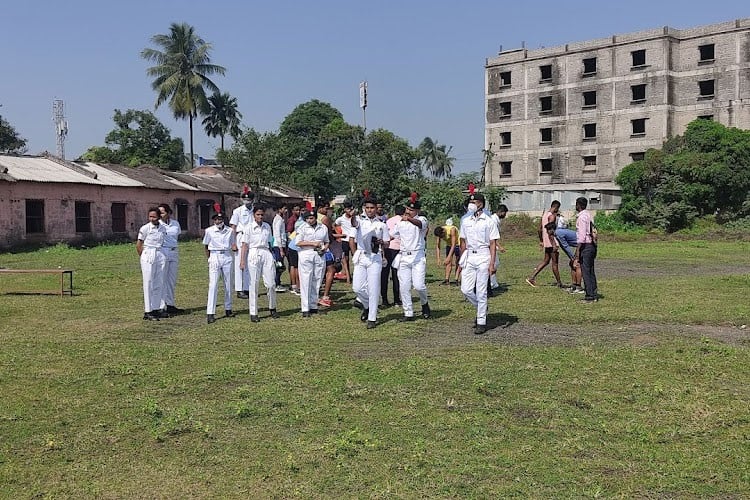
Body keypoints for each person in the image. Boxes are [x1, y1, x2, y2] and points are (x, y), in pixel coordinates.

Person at [459, 191, 498, 335]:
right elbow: (463, 241)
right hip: (470, 255)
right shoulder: (465, 220)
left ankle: (481, 321)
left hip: (483, 255)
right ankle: (481, 307)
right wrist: (461, 260)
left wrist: (492, 263)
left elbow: (493, 243)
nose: (471, 205)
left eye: (474, 203)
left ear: (481, 204)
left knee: (481, 291)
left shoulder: (489, 221)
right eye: (470, 203)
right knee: (466, 289)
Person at [351, 194, 390, 329]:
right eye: (367, 208)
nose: (369, 210)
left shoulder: (381, 224)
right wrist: (352, 215)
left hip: (375, 256)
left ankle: (372, 318)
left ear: (376, 209)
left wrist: (381, 242)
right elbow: (354, 224)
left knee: (373, 288)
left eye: (372, 208)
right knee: (357, 287)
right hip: (362, 255)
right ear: (364, 208)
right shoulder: (360, 221)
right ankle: (367, 305)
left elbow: (387, 243)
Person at [391, 193, 431, 321]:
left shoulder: (422, 219)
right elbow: (391, 235)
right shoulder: (401, 222)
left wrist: (409, 219)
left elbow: (420, 224)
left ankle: (424, 303)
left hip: (417, 255)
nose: (408, 212)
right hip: (404, 255)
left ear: (417, 211)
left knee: (419, 285)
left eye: (411, 210)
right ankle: (408, 312)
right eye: (407, 209)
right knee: (404, 286)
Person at [239, 204, 279, 322]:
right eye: (258, 214)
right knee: (254, 283)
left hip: (266, 252)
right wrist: (242, 261)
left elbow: (270, 242)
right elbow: (245, 245)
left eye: (262, 214)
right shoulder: (248, 228)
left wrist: (274, 255)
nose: (260, 217)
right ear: (253, 215)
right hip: (254, 252)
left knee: (271, 283)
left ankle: (272, 307)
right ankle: (253, 312)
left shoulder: (267, 226)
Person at [203, 204, 235, 324]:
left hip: (226, 255)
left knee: (228, 284)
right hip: (215, 255)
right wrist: (209, 258)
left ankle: (228, 308)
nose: (218, 221)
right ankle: (210, 312)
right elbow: (206, 245)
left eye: (220, 219)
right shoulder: (209, 231)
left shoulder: (230, 231)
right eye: (216, 219)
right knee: (213, 284)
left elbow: (232, 243)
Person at [294, 209, 329, 317]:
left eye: (312, 218)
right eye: (308, 218)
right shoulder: (302, 227)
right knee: (306, 280)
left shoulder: (323, 227)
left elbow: (327, 241)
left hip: (319, 255)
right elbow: (298, 242)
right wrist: (313, 243)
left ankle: (313, 305)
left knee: (317, 279)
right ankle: (305, 308)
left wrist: (324, 249)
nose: (310, 220)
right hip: (306, 253)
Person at [136, 207, 167, 321]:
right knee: (148, 282)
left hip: (159, 252)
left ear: (159, 216)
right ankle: (148, 311)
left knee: (159, 282)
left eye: (154, 216)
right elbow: (139, 244)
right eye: (150, 216)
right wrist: (143, 257)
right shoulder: (145, 228)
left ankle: (156, 308)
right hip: (148, 253)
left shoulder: (163, 228)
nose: (152, 219)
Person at [526, 200, 563, 288]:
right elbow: (551, 232)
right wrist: (554, 244)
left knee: (546, 261)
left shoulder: (544, 215)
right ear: (556, 207)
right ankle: (559, 283)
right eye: (558, 209)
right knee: (555, 263)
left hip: (547, 242)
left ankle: (532, 277)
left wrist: (542, 240)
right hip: (552, 242)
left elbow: (539, 229)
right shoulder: (551, 216)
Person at [157, 203, 183, 315]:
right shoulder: (157, 225)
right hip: (163, 251)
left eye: (162, 212)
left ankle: (170, 304)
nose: (160, 215)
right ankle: (161, 306)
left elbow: (177, 236)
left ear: (168, 213)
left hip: (173, 251)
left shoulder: (175, 223)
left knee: (171, 280)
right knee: (162, 279)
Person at [230, 185, 254, 299]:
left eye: (248, 199)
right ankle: (239, 289)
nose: (246, 201)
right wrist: (233, 243)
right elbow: (233, 227)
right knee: (240, 263)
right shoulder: (237, 211)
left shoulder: (255, 211)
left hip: (252, 238)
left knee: (250, 262)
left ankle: (247, 287)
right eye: (244, 199)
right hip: (241, 236)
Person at [573, 197, 599, 303]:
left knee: (586, 271)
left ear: (578, 205)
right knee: (591, 270)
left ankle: (589, 296)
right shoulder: (589, 215)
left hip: (586, 246)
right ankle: (593, 292)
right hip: (592, 245)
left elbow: (582, 236)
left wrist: (578, 251)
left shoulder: (582, 217)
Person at [384, 206, 404, 306]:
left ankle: (384, 299)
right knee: (396, 275)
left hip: (387, 248)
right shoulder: (403, 221)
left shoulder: (388, 220)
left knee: (385, 274)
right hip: (398, 249)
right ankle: (397, 299)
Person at [317, 202, 336, 308]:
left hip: (310, 249)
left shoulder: (308, 218)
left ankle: (315, 295)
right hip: (323, 247)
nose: (327, 210)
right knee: (331, 270)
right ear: (320, 208)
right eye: (326, 208)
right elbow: (329, 234)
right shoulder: (324, 218)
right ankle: (325, 296)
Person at [434, 218, 461, 285]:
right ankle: (447, 280)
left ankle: (456, 279)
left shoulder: (452, 230)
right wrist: (438, 259)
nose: (441, 237)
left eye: (442, 236)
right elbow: (438, 246)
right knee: (448, 263)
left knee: (458, 261)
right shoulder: (439, 232)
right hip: (449, 245)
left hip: (458, 244)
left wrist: (449, 257)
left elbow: (454, 244)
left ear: (443, 231)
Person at [489, 204, 508, 292]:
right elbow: (492, 236)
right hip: (491, 245)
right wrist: (499, 247)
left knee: (495, 264)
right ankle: (491, 284)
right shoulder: (493, 221)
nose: (505, 215)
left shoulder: (495, 220)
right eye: (505, 213)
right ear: (501, 212)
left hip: (493, 244)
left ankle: (493, 283)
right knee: (494, 264)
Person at [334, 201, 355, 283]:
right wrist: (339, 234)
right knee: (345, 259)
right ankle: (348, 276)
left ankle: (357, 275)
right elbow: (334, 225)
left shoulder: (355, 218)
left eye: (350, 209)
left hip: (354, 240)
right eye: (347, 209)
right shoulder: (341, 219)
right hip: (345, 240)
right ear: (345, 210)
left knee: (356, 257)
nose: (349, 210)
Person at [271, 203, 288, 293]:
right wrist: (281, 249)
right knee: (279, 265)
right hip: (278, 245)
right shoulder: (278, 220)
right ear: (279, 209)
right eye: (284, 208)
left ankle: (278, 282)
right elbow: (277, 235)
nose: (286, 211)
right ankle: (276, 283)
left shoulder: (281, 219)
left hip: (282, 244)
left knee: (280, 265)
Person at [286, 203, 302, 295]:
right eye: (296, 210)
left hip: (292, 245)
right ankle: (297, 286)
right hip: (295, 245)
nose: (298, 212)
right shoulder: (293, 220)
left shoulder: (298, 221)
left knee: (293, 266)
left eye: (299, 210)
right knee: (296, 267)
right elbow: (289, 232)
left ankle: (294, 285)